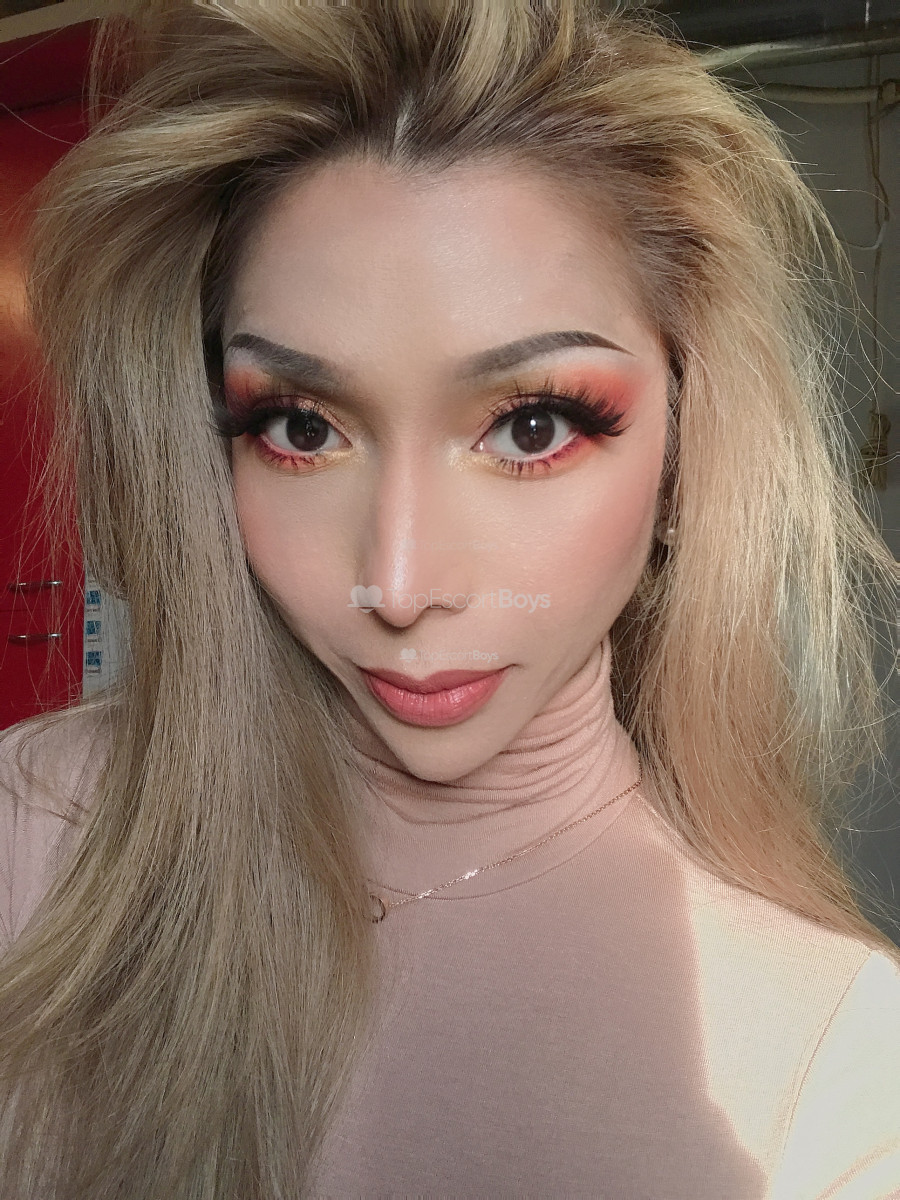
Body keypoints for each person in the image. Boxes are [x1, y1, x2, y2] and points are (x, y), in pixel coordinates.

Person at [1, 1, 898, 1196]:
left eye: (530, 427)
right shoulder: (31, 829)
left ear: (689, 450)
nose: (402, 583)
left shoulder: (832, 1071)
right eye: (300, 428)